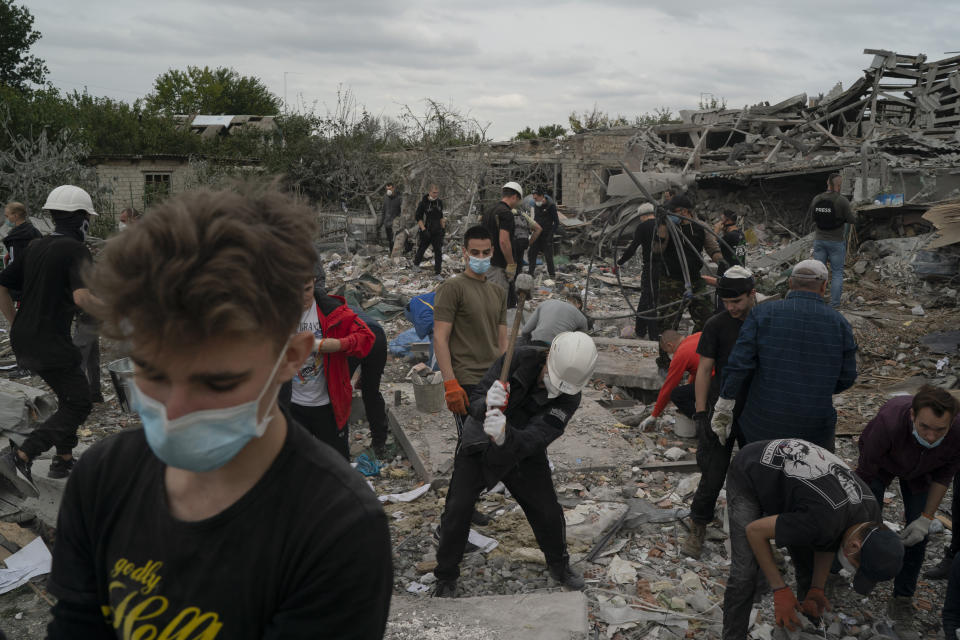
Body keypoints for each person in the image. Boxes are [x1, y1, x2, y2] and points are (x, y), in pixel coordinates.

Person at [45, 184, 393, 638]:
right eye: (153, 371)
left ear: (291, 357)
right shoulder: (102, 478)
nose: (175, 410)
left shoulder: (337, 528)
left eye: (218, 382)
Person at [433, 331, 598, 597]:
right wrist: (487, 403)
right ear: (548, 357)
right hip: (480, 441)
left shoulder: (570, 395)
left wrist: (506, 435)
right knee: (458, 508)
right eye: (551, 378)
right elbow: (474, 401)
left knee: (547, 510)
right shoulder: (517, 358)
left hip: (522, 451)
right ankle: (445, 576)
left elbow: (539, 436)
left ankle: (559, 565)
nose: (551, 387)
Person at [723, 438, 903, 640]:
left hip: (801, 492)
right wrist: (780, 589)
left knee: (809, 572)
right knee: (744, 573)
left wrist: (817, 588)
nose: (852, 570)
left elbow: (830, 539)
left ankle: (804, 629)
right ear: (854, 546)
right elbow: (754, 531)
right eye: (855, 565)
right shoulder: (823, 520)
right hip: (750, 469)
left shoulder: (871, 519)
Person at [0, 186, 97, 491]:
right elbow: (83, 298)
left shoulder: (35, 246)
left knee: (69, 395)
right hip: (50, 343)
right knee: (80, 401)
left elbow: (2, 283)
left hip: (24, 339)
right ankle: (22, 455)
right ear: (81, 218)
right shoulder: (76, 250)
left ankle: (64, 459)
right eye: (87, 219)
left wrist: (13, 321)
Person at [712, 259, 857, 452]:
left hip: (762, 425)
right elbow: (847, 377)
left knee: (762, 476)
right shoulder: (839, 324)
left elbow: (739, 365)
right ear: (823, 286)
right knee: (808, 479)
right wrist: (816, 390)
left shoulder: (762, 314)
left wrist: (724, 405)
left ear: (790, 283)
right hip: (814, 429)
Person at [854, 385, 960, 631]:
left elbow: (944, 477)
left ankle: (902, 598)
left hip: (924, 470)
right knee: (864, 523)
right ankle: (842, 571)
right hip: (882, 464)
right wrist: (865, 515)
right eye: (925, 427)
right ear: (912, 415)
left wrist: (925, 518)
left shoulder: (957, 432)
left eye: (939, 430)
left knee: (917, 535)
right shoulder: (888, 422)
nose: (931, 436)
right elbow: (865, 472)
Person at [681, 266, 757, 558]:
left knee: (757, 477)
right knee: (712, 474)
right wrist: (701, 413)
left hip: (754, 410)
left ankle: (757, 536)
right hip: (721, 407)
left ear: (751, 294)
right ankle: (698, 526)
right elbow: (703, 369)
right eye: (726, 303)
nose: (731, 308)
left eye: (736, 302)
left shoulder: (764, 321)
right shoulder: (716, 324)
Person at [279, 261, 375, 461]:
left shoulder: (332, 310)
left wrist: (336, 345)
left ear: (314, 283)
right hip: (292, 405)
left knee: (336, 464)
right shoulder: (277, 314)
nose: (303, 297)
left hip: (329, 406)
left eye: (307, 289)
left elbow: (367, 338)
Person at [434, 226, 507, 430]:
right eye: (475, 252)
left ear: (493, 251)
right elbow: (440, 338)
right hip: (467, 382)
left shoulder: (498, 292)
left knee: (497, 442)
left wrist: (507, 376)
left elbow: (502, 340)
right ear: (465, 252)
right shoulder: (452, 288)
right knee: (471, 445)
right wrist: (450, 384)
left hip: (494, 380)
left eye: (485, 252)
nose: (481, 257)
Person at [658, 195, 726, 336]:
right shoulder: (669, 227)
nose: (670, 213)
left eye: (673, 210)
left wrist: (723, 263)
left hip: (695, 280)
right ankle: (665, 358)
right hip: (672, 281)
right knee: (668, 324)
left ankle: (694, 350)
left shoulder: (700, 227)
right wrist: (663, 224)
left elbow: (713, 249)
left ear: (684, 211)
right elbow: (657, 249)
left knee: (707, 320)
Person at [616, 203, 663, 341]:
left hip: (651, 266)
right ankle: (640, 330)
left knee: (650, 300)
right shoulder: (662, 224)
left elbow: (632, 247)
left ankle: (654, 335)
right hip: (665, 267)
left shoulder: (643, 227)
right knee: (646, 298)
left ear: (642, 215)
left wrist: (619, 262)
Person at [809, 173, 856, 308]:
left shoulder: (817, 198)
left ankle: (816, 301)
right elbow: (852, 220)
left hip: (819, 240)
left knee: (819, 273)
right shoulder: (842, 201)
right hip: (836, 242)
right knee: (836, 273)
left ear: (827, 183)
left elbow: (813, 218)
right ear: (838, 185)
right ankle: (834, 304)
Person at [640, 330, 700, 432]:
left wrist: (654, 415)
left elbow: (668, 388)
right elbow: (697, 368)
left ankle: (703, 421)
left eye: (667, 351)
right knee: (688, 390)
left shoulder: (680, 354)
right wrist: (689, 384)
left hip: (714, 382)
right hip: (725, 374)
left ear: (670, 345)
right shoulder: (697, 336)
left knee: (676, 394)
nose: (669, 354)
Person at [349, 308, 389, 457]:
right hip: (377, 335)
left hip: (356, 336)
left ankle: (336, 447)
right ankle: (380, 445)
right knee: (371, 391)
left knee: (337, 394)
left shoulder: (322, 313)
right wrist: (363, 377)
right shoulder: (351, 309)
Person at [480, 182, 521, 296]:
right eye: (518, 200)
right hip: (498, 266)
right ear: (514, 197)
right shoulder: (506, 213)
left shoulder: (489, 211)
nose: (517, 204)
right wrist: (511, 264)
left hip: (485, 263)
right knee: (497, 302)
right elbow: (504, 242)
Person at [520, 295, 587, 347]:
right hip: (558, 348)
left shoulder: (546, 303)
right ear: (579, 306)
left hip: (536, 342)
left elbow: (525, 331)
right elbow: (580, 342)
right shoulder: (582, 317)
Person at [413, 184, 446, 275]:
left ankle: (437, 273)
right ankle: (415, 265)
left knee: (438, 251)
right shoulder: (423, 202)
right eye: (434, 193)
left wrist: (443, 229)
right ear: (429, 192)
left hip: (437, 230)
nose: (435, 194)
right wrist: (423, 230)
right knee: (422, 248)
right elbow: (418, 217)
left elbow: (441, 217)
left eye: (437, 193)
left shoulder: (439, 202)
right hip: (427, 229)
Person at [3, 202, 42, 274]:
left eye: (7, 216)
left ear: (15, 216)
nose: (6, 219)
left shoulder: (15, 237)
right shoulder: (35, 231)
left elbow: (15, 262)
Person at [528, 188, 559, 278]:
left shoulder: (551, 205)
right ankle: (530, 273)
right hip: (537, 234)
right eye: (534, 198)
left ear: (542, 196)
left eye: (536, 198)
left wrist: (551, 235)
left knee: (548, 257)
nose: (535, 200)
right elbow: (535, 219)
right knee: (531, 254)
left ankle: (552, 275)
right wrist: (532, 228)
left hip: (547, 235)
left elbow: (556, 222)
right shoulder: (536, 205)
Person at [512, 205, 540, 270]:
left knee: (511, 263)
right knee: (519, 262)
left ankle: (511, 278)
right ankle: (518, 276)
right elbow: (538, 229)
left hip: (511, 242)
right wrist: (528, 244)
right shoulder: (522, 214)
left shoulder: (505, 213)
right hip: (522, 241)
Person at [381, 182, 401, 250]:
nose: (388, 191)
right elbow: (383, 210)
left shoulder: (399, 198)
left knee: (394, 240)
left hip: (395, 223)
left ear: (393, 188)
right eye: (387, 189)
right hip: (387, 222)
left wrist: (399, 221)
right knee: (390, 240)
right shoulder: (385, 197)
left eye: (390, 189)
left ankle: (395, 254)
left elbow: (401, 211)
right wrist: (382, 222)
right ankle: (391, 254)